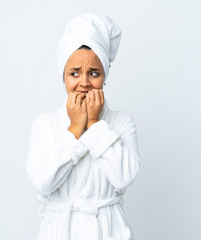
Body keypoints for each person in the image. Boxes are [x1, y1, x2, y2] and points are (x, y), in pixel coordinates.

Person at [26, 12, 140, 240]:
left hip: (109, 232)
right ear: (64, 77)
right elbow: (42, 183)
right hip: (59, 232)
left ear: (104, 76)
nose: (84, 82)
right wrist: (74, 130)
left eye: (94, 73)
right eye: (74, 73)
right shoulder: (46, 124)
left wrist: (96, 124)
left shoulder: (121, 122)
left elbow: (124, 178)